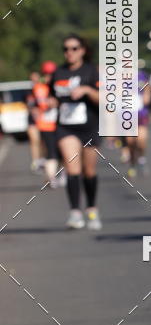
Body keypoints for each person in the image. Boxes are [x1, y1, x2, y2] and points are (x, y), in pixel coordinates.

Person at [49, 35, 102, 229]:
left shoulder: (91, 71)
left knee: (89, 172)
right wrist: (50, 103)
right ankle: (75, 212)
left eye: (74, 48)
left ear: (82, 50)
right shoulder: (58, 72)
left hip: (89, 126)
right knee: (73, 169)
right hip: (65, 126)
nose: (69, 52)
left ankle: (92, 208)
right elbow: (52, 96)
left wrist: (87, 91)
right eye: (66, 49)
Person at [31, 61, 64, 189]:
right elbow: (42, 104)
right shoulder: (40, 87)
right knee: (51, 152)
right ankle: (52, 177)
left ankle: (59, 174)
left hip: (61, 124)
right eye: (47, 74)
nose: (49, 77)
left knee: (62, 151)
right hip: (46, 124)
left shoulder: (58, 85)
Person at [124, 63, 151, 178]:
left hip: (141, 113)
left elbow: (147, 88)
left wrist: (147, 94)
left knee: (141, 140)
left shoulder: (141, 76)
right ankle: (132, 163)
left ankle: (141, 158)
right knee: (130, 142)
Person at [26, 71, 44, 172]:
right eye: (32, 78)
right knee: (34, 140)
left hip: (44, 120)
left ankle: (43, 159)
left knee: (43, 141)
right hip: (32, 120)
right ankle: (35, 161)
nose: (34, 80)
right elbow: (27, 105)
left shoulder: (45, 89)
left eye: (36, 78)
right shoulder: (29, 91)